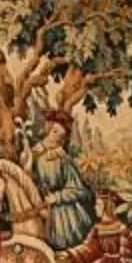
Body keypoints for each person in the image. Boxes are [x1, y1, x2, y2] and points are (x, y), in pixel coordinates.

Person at [26, 109, 97, 254]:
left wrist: (56, 198)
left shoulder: (63, 159)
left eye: (62, 135)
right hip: (39, 204)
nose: (57, 138)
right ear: (47, 129)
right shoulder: (33, 153)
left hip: (65, 213)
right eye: (55, 132)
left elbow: (79, 190)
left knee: (63, 244)